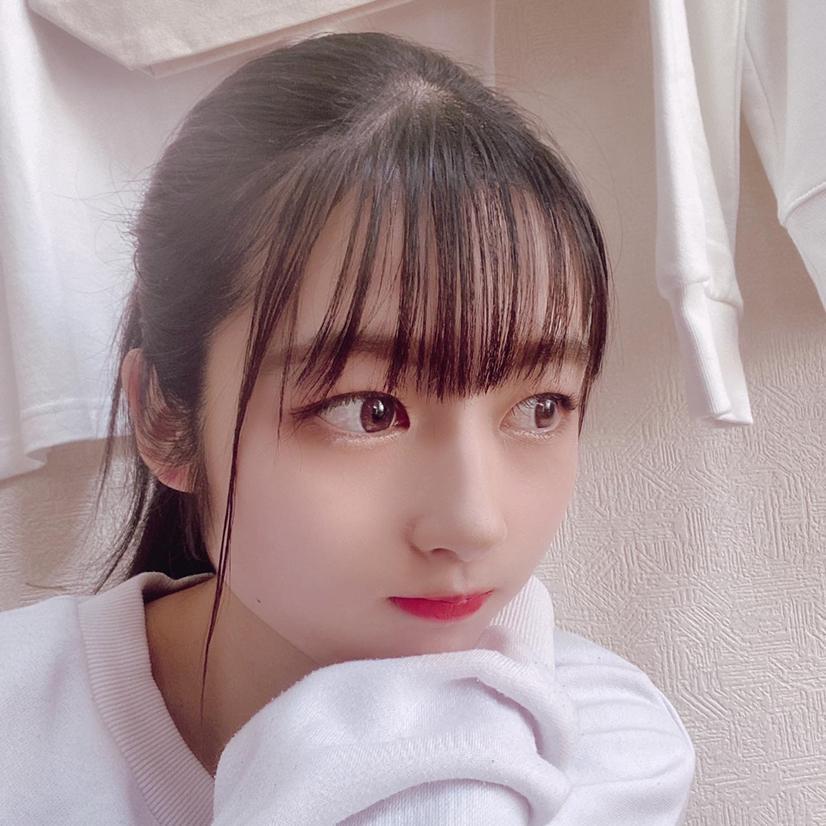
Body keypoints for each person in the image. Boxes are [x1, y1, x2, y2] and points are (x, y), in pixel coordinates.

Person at [0, 31, 695, 824]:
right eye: (370, 411)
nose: (472, 523)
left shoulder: (607, 752)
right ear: (166, 418)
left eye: (541, 408)